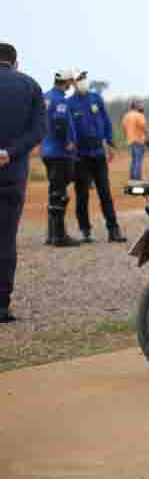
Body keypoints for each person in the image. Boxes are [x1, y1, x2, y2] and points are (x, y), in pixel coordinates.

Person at [0, 43, 47, 323]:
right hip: (12, 174)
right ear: (15, 63)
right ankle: (1, 306)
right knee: (5, 240)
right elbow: (39, 130)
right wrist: (9, 152)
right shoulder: (29, 85)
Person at [67, 69, 127, 243]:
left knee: (105, 192)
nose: (83, 81)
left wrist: (110, 143)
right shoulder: (69, 103)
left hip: (98, 153)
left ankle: (113, 230)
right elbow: (69, 129)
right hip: (81, 156)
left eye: (84, 77)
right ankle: (85, 230)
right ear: (72, 83)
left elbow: (106, 121)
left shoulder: (95, 98)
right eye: (79, 79)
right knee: (82, 194)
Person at [41, 69, 81, 247]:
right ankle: (59, 236)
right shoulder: (60, 100)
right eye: (72, 81)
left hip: (47, 150)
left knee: (53, 193)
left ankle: (52, 234)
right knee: (60, 195)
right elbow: (60, 121)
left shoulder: (46, 97)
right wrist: (68, 141)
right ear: (67, 82)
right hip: (59, 152)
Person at [122, 99, 148, 182]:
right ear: (136, 106)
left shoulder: (126, 116)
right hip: (139, 140)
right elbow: (144, 127)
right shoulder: (139, 115)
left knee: (134, 160)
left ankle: (132, 177)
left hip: (130, 140)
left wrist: (126, 137)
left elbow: (124, 128)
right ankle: (137, 178)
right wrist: (148, 137)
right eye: (139, 105)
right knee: (138, 160)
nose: (141, 106)